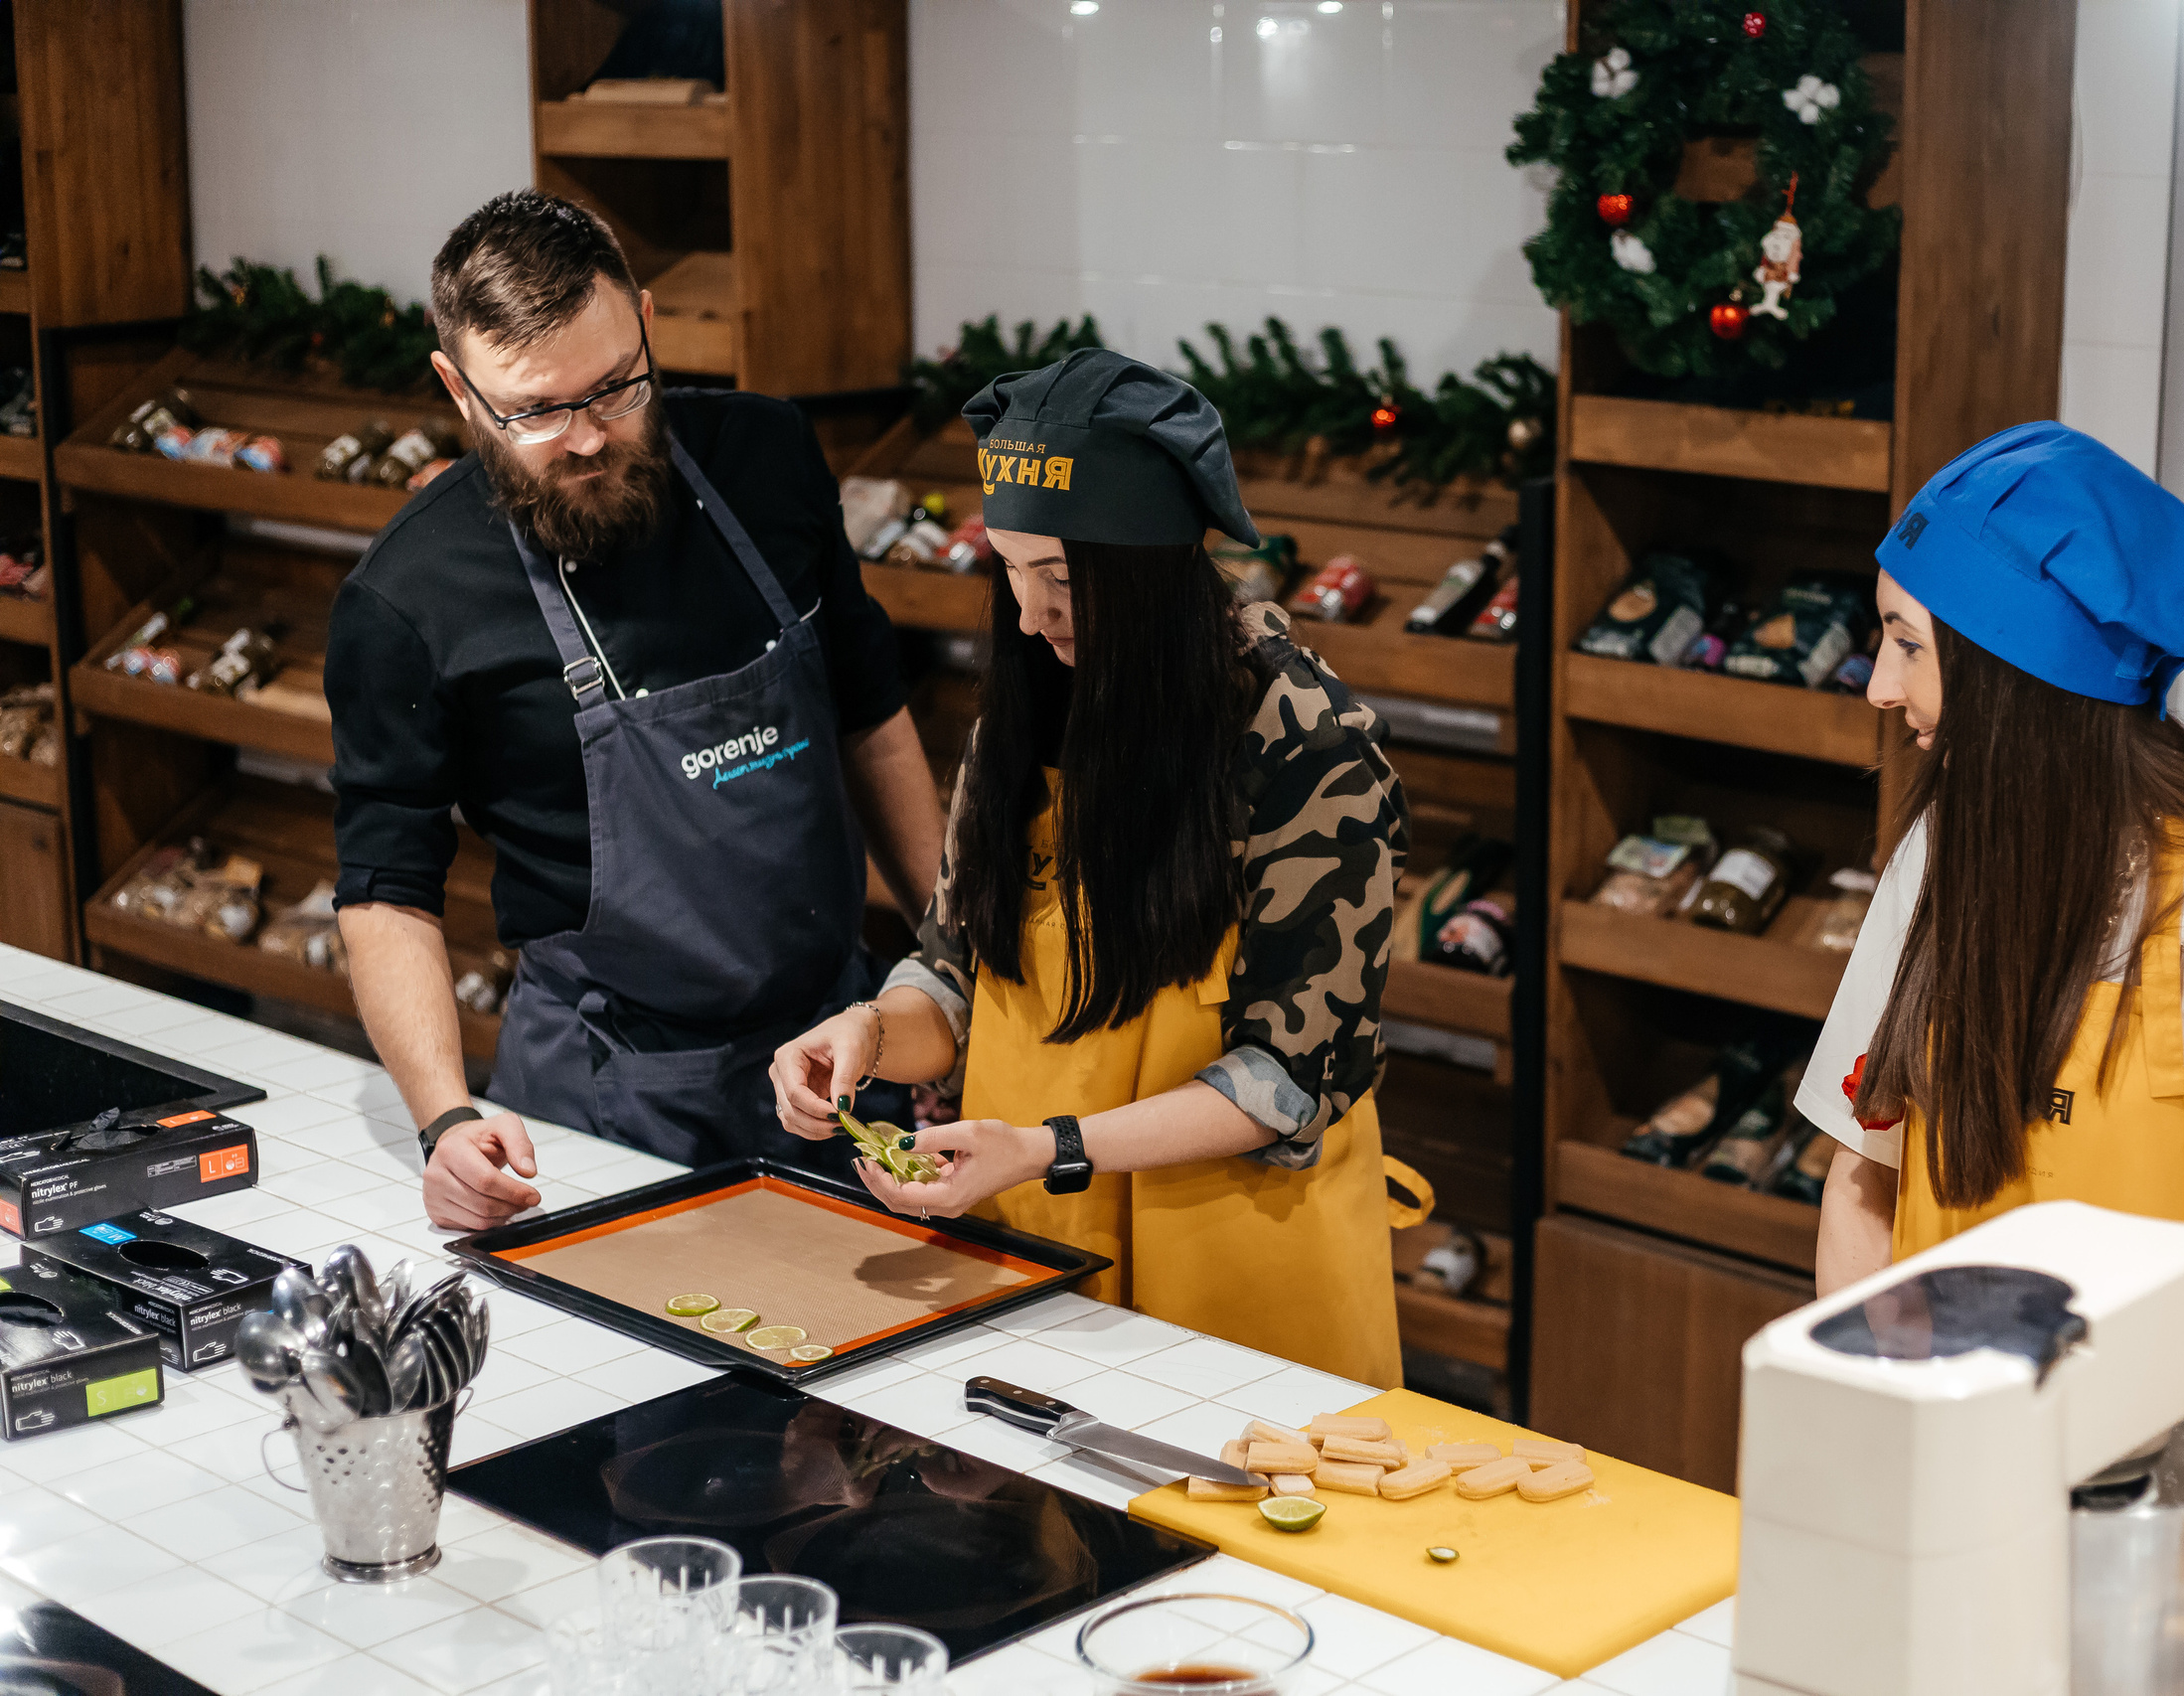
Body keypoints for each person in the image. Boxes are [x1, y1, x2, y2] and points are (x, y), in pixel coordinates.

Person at [1797, 420, 2184, 1661]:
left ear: (2012, 668)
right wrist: (1872, 1442)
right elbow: (1860, 1180)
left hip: (2139, 1560)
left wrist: (2141, 1564)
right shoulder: (1943, 858)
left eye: (1904, 642)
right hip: (1924, 1509)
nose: (1875, 684)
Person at [770, 350, 1423, 1388]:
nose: (1030, 616)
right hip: (1030, 1255)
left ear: (1154, 568)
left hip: (1236, 1284)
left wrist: (1046, 1147)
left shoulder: (1304, 743)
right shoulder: (1021, 721)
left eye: (1064, 580)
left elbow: (1287, 1078)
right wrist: (872, 1034)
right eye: (1012, 570)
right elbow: (957, 971)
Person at [327, 191, 944, 1231]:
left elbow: (870, 718)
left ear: (647, 320)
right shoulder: (409, 597)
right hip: (611, 1099)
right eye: (535, 410)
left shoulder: (766, 458)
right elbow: (388, 888)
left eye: (615, 388)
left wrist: (950, 973)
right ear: (457, 389)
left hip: (847, 1054)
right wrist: (442, 1122)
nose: (584, 438)